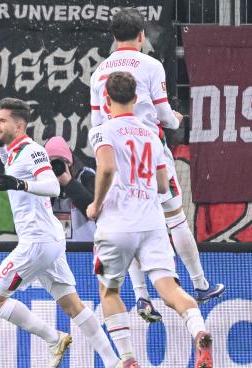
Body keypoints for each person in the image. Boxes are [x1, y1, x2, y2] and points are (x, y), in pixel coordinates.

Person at [89, 7, 225, 323]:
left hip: (114, 152)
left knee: (127, 218)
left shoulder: (99, 73)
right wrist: (174, 118)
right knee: (173, 218)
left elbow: (97, 121)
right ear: (141, 36)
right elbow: (163, 114)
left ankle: (141, 297)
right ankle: (199, 284)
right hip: (149, 149)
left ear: (112, 37)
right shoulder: (151, 65)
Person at [87, 72, 213, 368]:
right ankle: (199, 331)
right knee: (169, 290)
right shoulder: (150, 133)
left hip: (116, 224)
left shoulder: (102, 131)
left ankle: (129, 362)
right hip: (152, 221)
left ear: (106, 100)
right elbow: (161, 182)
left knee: (110, 293)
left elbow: (106, 168)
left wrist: (96, 203)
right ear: (136, 99)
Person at [0, 98, 123, 368]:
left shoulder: (33, 151)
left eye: (1, 120)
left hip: (37, 241)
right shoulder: (12, 152)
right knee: (72, 304)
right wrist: (0, 142)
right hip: (47, 240)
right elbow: (4, 155)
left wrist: (20, 184)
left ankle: (53, 338)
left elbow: (51, 185)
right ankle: (114, 364)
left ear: (20, 126)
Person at [45, 136, 96, 242]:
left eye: (59, 163)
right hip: (57, 251)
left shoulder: (86, 177)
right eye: (51, 163)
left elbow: (93, 209)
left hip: (85, 250)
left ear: (69, 162)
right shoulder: (44, 182)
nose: (56, 167)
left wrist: (69, 183)